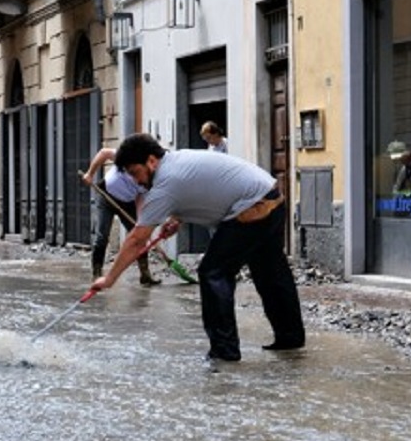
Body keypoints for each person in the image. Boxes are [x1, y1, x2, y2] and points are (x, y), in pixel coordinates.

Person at [93, 133, 305, 361]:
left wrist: (109, 279)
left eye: (136, 173)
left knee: (214, 272)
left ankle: (224, 351)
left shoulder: (165, 183)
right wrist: (176, 220)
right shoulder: (177, 161)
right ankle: (290, 337)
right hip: (270, 196)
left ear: (151, 161)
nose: (136, 181)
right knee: (270, 269)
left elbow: (136, 239)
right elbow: (200, 189)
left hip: (251, 207)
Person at [82, 147, 160, 286]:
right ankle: (97, 273)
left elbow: (140, 198)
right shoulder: (128, 156)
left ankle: (145, 274)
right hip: (106, 195)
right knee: (102, 235)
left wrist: (141, 221)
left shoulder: (151, 179)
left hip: (127, 202)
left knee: (140, 235)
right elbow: (104, 153)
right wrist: (90, 174)